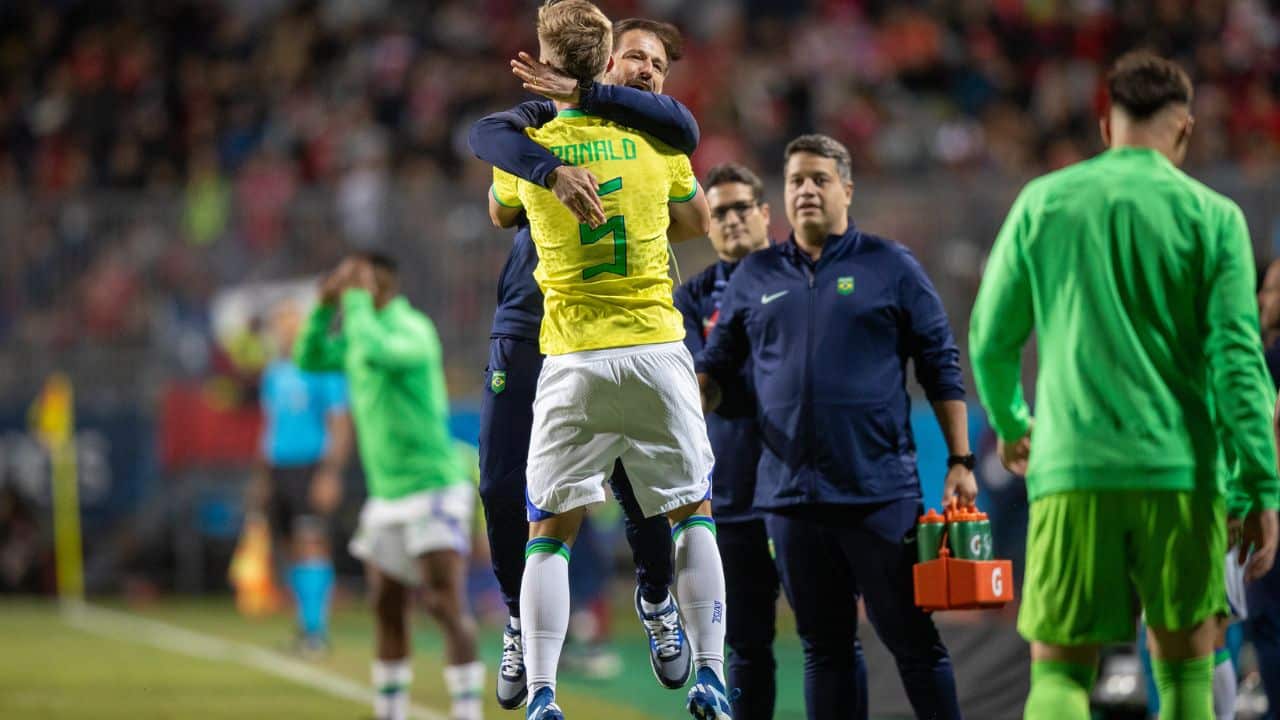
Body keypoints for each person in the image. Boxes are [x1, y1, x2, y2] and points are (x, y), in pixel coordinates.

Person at [968, 51, 1280, 720]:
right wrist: (1259, 486)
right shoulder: (1213, 216)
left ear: (1106, 127)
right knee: (1188, 677)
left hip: (1071, 470)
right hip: (1182, 478)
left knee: (1059, 678)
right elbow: (1238, 362)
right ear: (1186, 131)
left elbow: (991, 339)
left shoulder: (1043, 202)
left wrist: (1015, 425)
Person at [486, 3, 729, 719]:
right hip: (656, 346)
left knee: (549, 532)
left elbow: (499, 211)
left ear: (551, 60)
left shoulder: (534, 141)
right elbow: (698, 220)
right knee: (693, 514)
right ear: (610, 62)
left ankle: (541, 693)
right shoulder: (660, 145)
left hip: (572, 357)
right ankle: (711, 675)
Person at [697, 134, 973, 720]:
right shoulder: (756, 276)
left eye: (819, 179)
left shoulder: (890, 265)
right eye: (796, 180)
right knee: (823, 649)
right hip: (791, 499)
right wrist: (683, 419)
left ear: (847, 189)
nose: (806, 190)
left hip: (879, 492)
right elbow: (714, 370)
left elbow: (940, 363)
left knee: (914, 644)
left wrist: (960, 461)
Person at [675, 162, 873, 720]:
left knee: (828, 638)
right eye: (719, 212)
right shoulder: (691, 300)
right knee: (746, 646)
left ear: (766, 215)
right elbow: (697, 388)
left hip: (807, 489)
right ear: (706, 225)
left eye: (743, 208)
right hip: (734, 495)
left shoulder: (807, 275)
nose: (733, 220)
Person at [294, 253, 483, 720]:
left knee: (443, 602)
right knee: (386, 605)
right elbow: (309, 356)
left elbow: (376, 350)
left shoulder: (412, 331)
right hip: (387, 498)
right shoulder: (360, 335)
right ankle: (391, 710)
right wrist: (323, 305)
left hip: (433, 487)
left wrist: (353, 300)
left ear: (382, 288)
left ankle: (466, 710)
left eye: (360, 282)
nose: (352, 290)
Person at [248, 299, 352, 655]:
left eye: (291, 325)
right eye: (281, 327)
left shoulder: (323, 369)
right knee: (292, 547)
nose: (285, 333)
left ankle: (316, 632)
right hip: (280, 469)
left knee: (311, 545)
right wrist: (262, 477)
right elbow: (269, 426)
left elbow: (339, 423)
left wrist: (330, 474)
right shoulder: (273, 373)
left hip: (311, 466)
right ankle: (305, 626)